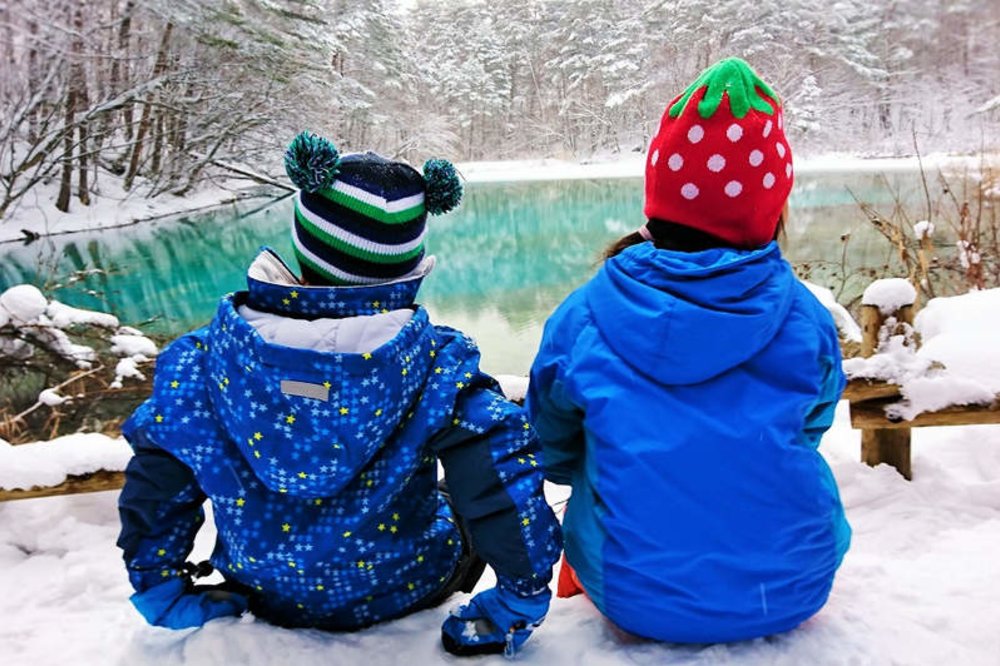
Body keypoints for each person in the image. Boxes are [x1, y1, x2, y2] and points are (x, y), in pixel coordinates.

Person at [117, 133, 561, 657]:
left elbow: (159, 482)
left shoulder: (203, 358)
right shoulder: (437, 363)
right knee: (460, 496)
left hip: (265, 592)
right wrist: (519, 600)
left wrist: (159, 586)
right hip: (407, 586)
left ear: (302, 250)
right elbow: (501, 478)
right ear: (409, 267)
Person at [526, 57, 850, 643]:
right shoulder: (804, 317)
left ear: (660, 194)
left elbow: (551, 447)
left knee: (604, 478)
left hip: (632, 595)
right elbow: (812, 426)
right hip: (795, 586)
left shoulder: (584, 316)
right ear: (770, 210)